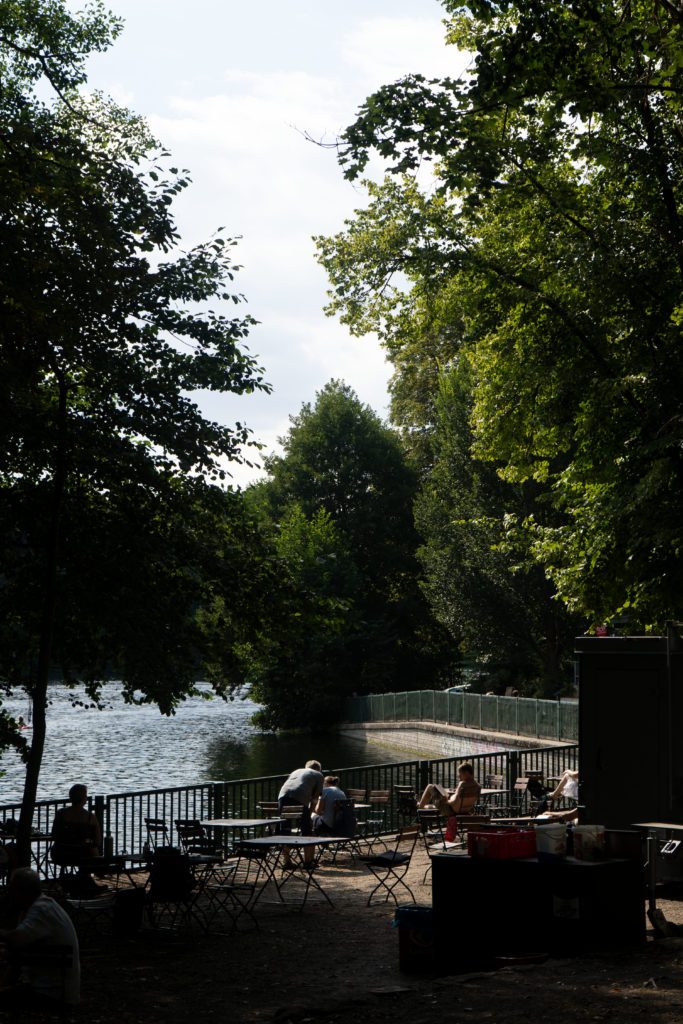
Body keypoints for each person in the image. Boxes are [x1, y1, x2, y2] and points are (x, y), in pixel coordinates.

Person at [0, 868, 80, 1010]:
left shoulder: (40, 911)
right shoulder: (44, 906)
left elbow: (16, 939)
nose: (9, 894)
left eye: (11, 889)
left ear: (22, 891)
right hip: (58, 990)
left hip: (52, 995)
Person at [50, 783, 104, 894]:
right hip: (83, 856)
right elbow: (97, 841)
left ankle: (71, 883)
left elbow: (54, 835)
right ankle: (87, 881)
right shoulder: (90, 817)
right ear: (84, 798)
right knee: (91, 851)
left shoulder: (61, 814)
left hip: (61, 854)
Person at [277, 759, 324, 866]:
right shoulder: (319, 775)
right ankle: (308, 862)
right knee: (306, 829)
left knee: (285, 828)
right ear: (318, 769)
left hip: (282, 797)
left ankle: (286, 861)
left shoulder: (296, 771)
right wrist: (310, 814)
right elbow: (315, 799)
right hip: (299, 797)